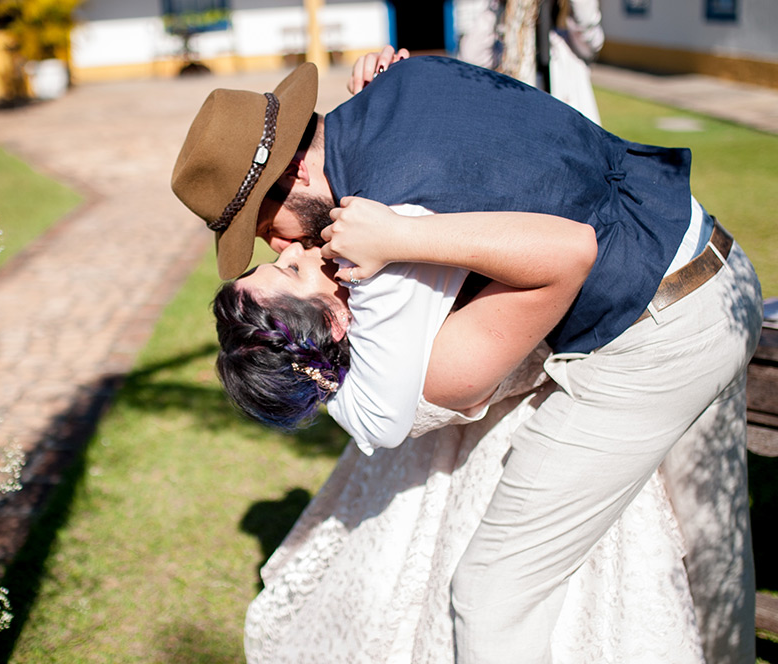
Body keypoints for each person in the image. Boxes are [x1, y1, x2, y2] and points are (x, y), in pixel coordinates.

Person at [172, 54, 762, 662]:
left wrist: (404, 238)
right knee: (713, 534)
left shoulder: (391, 218)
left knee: (491, 594)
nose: (282, 243)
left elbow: (563, 248)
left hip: (663, 333)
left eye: (265, 226)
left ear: (294, 174)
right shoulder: (405, 82)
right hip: (712, 260)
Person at [215, 205, 704, 662]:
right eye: (292, 270)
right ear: (335, 321)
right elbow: (561, 264)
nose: (291, 249)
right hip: (545, 429)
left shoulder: (376, 320)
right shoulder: (431, 362)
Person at [454, 0, 605, 123]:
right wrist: (497, 6)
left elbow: (587, 27)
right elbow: (470, 58)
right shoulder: (507, 48)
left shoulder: (569, 46)